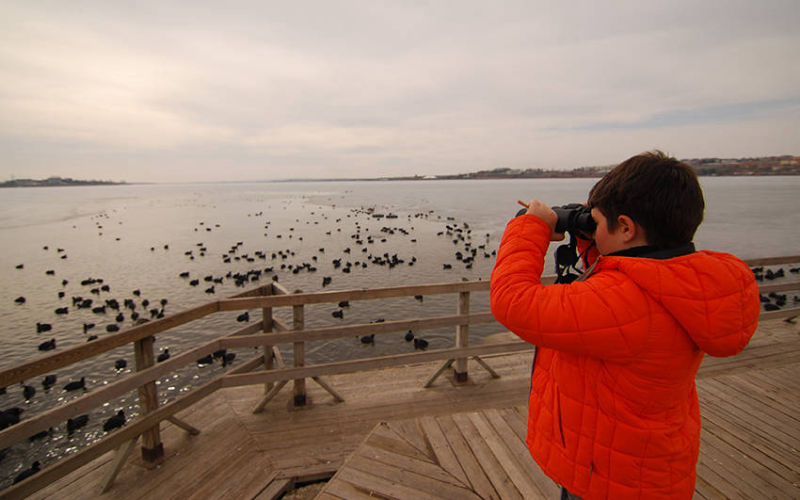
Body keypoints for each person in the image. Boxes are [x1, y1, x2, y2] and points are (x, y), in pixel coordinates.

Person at [490, 151, 760, 499]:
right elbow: (625, 267)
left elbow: (512, 300)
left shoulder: (624, 302)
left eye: (598, 221)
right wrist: (595, 235)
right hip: (645, 465)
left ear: (627, 227)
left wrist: (531, 226)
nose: (592, 225)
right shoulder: (680, 283)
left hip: (606, 478)